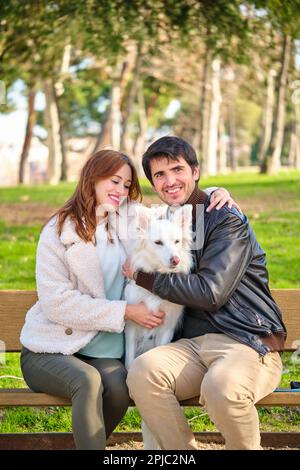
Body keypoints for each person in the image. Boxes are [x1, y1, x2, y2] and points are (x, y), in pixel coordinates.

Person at [19, 148, 234, 450]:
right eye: (113, 181)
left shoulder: (126, 219)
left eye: (126, 184)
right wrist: (125, 311)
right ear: (91, 179)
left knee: (120, 389)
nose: (120, 190)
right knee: (88, 382)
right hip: (52, 347)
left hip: (102, 350)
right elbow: (57, 302)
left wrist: (213, 193)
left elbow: (175, 210)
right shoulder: (57, 232)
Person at [124, 136, 287, 451]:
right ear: (153, 184)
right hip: (193, 345)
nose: (170, 181)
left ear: (195, 171)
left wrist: (143, 278)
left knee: (221, 387)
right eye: (159, 175)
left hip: (248, 341)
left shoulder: (225, 217)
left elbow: (212, 292)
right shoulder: (170, 221)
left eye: (177, 169)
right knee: (143, 372)